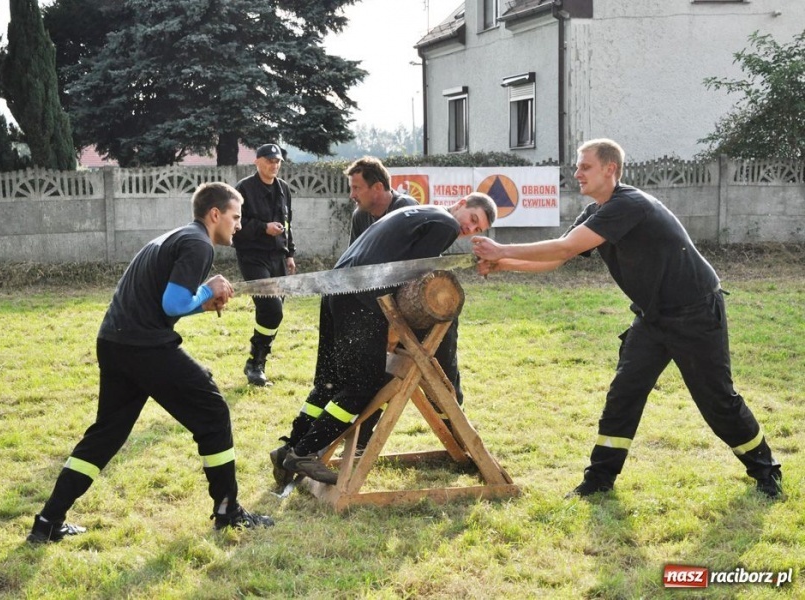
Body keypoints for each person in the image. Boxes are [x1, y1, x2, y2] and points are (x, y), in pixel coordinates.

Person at [471, 138, 783, 499]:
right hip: (653, 318)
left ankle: (767, 470)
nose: (577, 173)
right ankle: (598, 481)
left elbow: (565, 247)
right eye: (577, 166)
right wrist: (502, 264)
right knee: (624, 394)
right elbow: (559, 258)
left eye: (584, 166)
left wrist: (502, 249)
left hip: (696, 312)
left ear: (610, 169)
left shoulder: (629, 204)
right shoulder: (596, 213)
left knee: (718, 401)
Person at [27, 182, 273, 543]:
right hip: (143, 347)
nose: (239, 225)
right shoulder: (198, 244)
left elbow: (163, 304)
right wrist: (209, 288)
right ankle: (228, 512)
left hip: (115, 341)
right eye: (235, 217)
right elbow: (172, 305)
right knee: (214, 412)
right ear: (215, 214)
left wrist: (201, 302)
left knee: (105, 435)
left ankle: (47, 523)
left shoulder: (177, 237)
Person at [270, 194, 498, 486]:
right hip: (361, 299)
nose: (470, 229)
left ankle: (290, 447)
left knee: (330, 381)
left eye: (478, 230)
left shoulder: (418, 211)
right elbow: (415, 277)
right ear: (463, 202)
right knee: (363, 384)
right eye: (474, 219)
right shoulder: (446, 224)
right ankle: (305, 452)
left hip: (336, 290)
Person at [343, 156, 464, 450]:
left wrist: (395, 325)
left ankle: (459, 436)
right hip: (381, 304)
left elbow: (416, 274)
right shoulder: (361, 216)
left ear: (378, 187)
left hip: (422, 308)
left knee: (441, 370)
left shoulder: (408, 210)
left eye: (357, 187)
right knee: (374, 368)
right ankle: (362, 438)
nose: (352, 195)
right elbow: (359, 268)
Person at [233, 143, 295, 386]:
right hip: (252, 256)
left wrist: (290, 254)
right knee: (271, 309)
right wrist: (263, 228)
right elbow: (236, 225)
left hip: (278, 256)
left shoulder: (284, 189)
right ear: (257, 162)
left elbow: (288, 224)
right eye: (269, 160)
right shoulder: (243, 189)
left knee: (274, 313)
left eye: (277, 161)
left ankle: (258, 362)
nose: (274, 165)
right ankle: (255, 363)